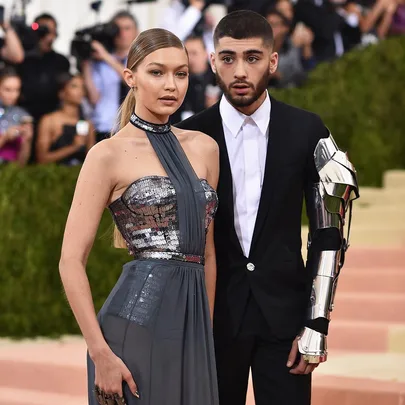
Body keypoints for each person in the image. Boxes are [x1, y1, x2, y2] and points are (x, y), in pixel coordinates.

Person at [177, 10, 359, 405]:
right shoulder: (189, 136)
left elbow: (329, 236)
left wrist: (316, 323)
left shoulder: (307, 129)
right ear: (212, 62)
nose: (240, 70)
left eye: (253, 58)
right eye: (228, 58)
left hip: (286, 321)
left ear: (272, 62)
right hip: (212, 322)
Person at [59, 28, 220, 405]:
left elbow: (209, 254)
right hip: (133, 330)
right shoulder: (106, 154)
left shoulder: (205, 149)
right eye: (157, 72)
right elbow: (70, 262)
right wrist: (100, 353)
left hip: (193, 327)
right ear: (130, 77)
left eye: (181, 74)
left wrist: (204, 329)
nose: (171, 85)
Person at [82, 11, 139, 142]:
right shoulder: (99, 62)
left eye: (127, 28)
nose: (122, 34)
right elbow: (94, 98)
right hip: (104, 127)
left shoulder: (141, 59)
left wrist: (105, 56)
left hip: (134, 128)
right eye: (117, 29)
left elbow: (133, 81)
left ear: (137, 31)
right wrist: (86, 64)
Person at [36, 73, 95, 166]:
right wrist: (73, 147)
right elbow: (42, 158)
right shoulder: (49, 120)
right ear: (62, 93)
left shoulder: (87, 123)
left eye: (82, 87)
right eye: (74, 86)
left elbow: (92, 162)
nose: (80, 91)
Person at [0, 67, 33, 166]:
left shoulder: (23, 116)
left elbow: (22, 164)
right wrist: (5, 137)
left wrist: (27, 140)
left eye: (17, 90)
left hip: (11, 174)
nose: (13, 95)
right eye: (7, 89)